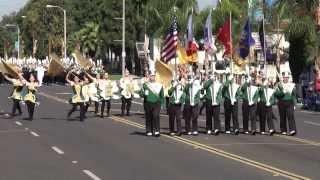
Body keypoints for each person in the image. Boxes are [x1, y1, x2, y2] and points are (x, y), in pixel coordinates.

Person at [140, 71, 164, 137]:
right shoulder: (145, 85)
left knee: (156, 116)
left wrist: (162, 104)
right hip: (147, 103)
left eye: (153, 76)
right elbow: (140, 94)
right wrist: (144, 93)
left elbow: (162, 95)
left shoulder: (159, 85)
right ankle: (149, 130)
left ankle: (157, 131)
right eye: (151, 76)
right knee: (148, 117)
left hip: (157, 103)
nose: (152, 77)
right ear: (149, 77)